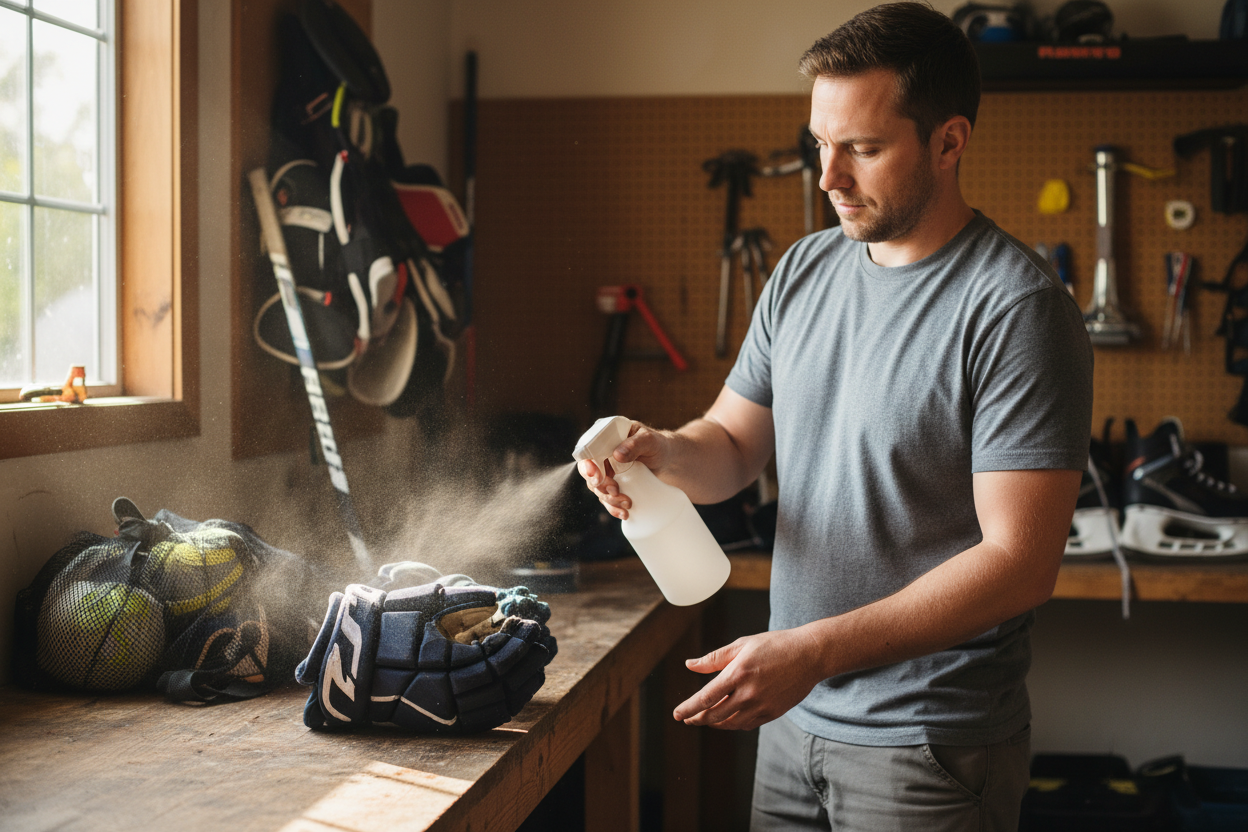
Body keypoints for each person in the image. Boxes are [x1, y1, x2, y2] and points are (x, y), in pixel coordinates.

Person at [578, 3, 1094, 830]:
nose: (829, 177)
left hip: (927, 745)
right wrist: (662, 453)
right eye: (820, 144)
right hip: (793, 721)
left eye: (862, 148)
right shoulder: (805, 271)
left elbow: (1020, 564)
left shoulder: (1015, 308)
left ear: (949, 142)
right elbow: (734, 447)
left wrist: (811, 651)